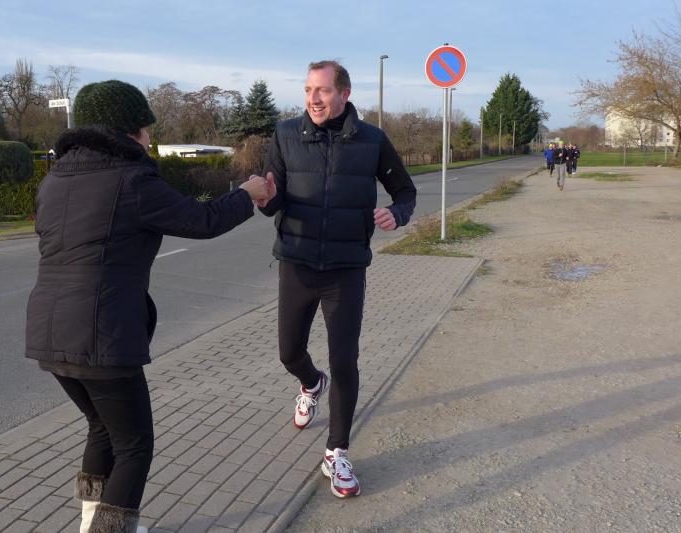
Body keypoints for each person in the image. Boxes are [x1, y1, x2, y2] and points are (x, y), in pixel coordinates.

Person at [25, 80, 271, 532]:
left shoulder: (54, 180)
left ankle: (90, 523)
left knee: (101, 428)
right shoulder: (132, 179)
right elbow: (202, 220)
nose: (149, 138)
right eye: (144, 128)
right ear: (125, 131)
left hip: (48, 332)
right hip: (103, 336)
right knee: (135, 445)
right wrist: (247, 192)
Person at [257, 60, 417, 498]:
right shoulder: (286, 134)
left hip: (346, 269)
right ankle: (311, 382)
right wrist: (265, 198)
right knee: (289, 352)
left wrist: (397, 214)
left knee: (345, 360)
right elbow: (273, 198)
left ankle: (337, 452)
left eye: (323, 90)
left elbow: (405, 191)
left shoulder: (372, 140)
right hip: (296, 263)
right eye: (308, 89)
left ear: (344, 94)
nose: (313, 98)